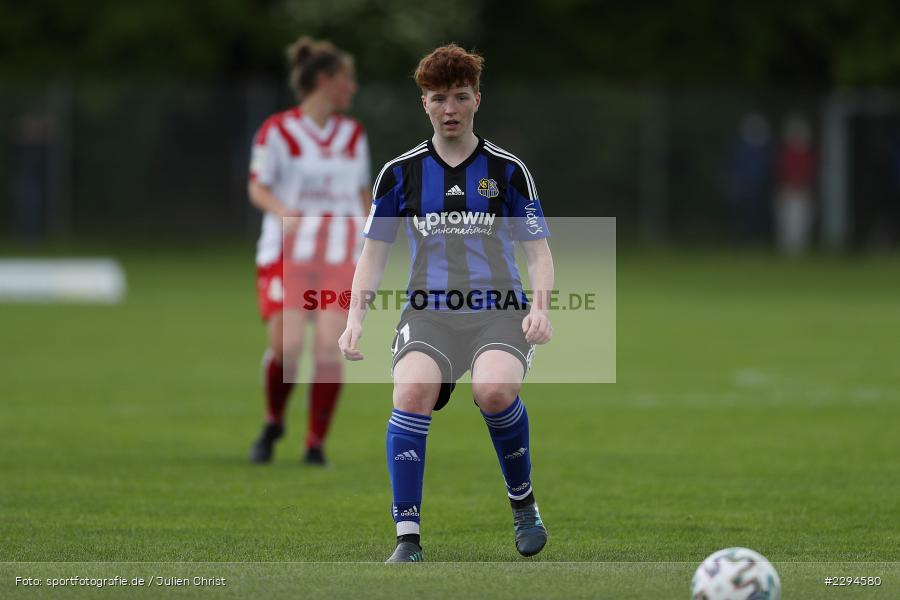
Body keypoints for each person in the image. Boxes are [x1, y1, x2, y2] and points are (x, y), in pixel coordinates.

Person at [338, 44, 554, 562]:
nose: (450, 108)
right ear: (425, 105)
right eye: (439, 98)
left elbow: (538, 251)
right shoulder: (399, 173)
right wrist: (354, 321)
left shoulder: (507, 170)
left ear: (477, 99)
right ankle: (407, 540)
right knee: (410, 391)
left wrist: (540, 307)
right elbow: (372, 256)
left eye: (460, 96)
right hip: (428, 313)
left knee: (495, 390)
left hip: (498, 311)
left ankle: (523, 504)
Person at [248, 37, 371, 466]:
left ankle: (315, 442)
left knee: (328, 346)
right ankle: (273, 420)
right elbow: (257, 186)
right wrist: (284, 210)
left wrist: (375, 243)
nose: (352, 88)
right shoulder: (276, 130)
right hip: (287, 251)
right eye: (346, 79)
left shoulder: (353, 134)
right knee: (288, 347)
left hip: (340, 253)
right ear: (324, 80)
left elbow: (361, 196)